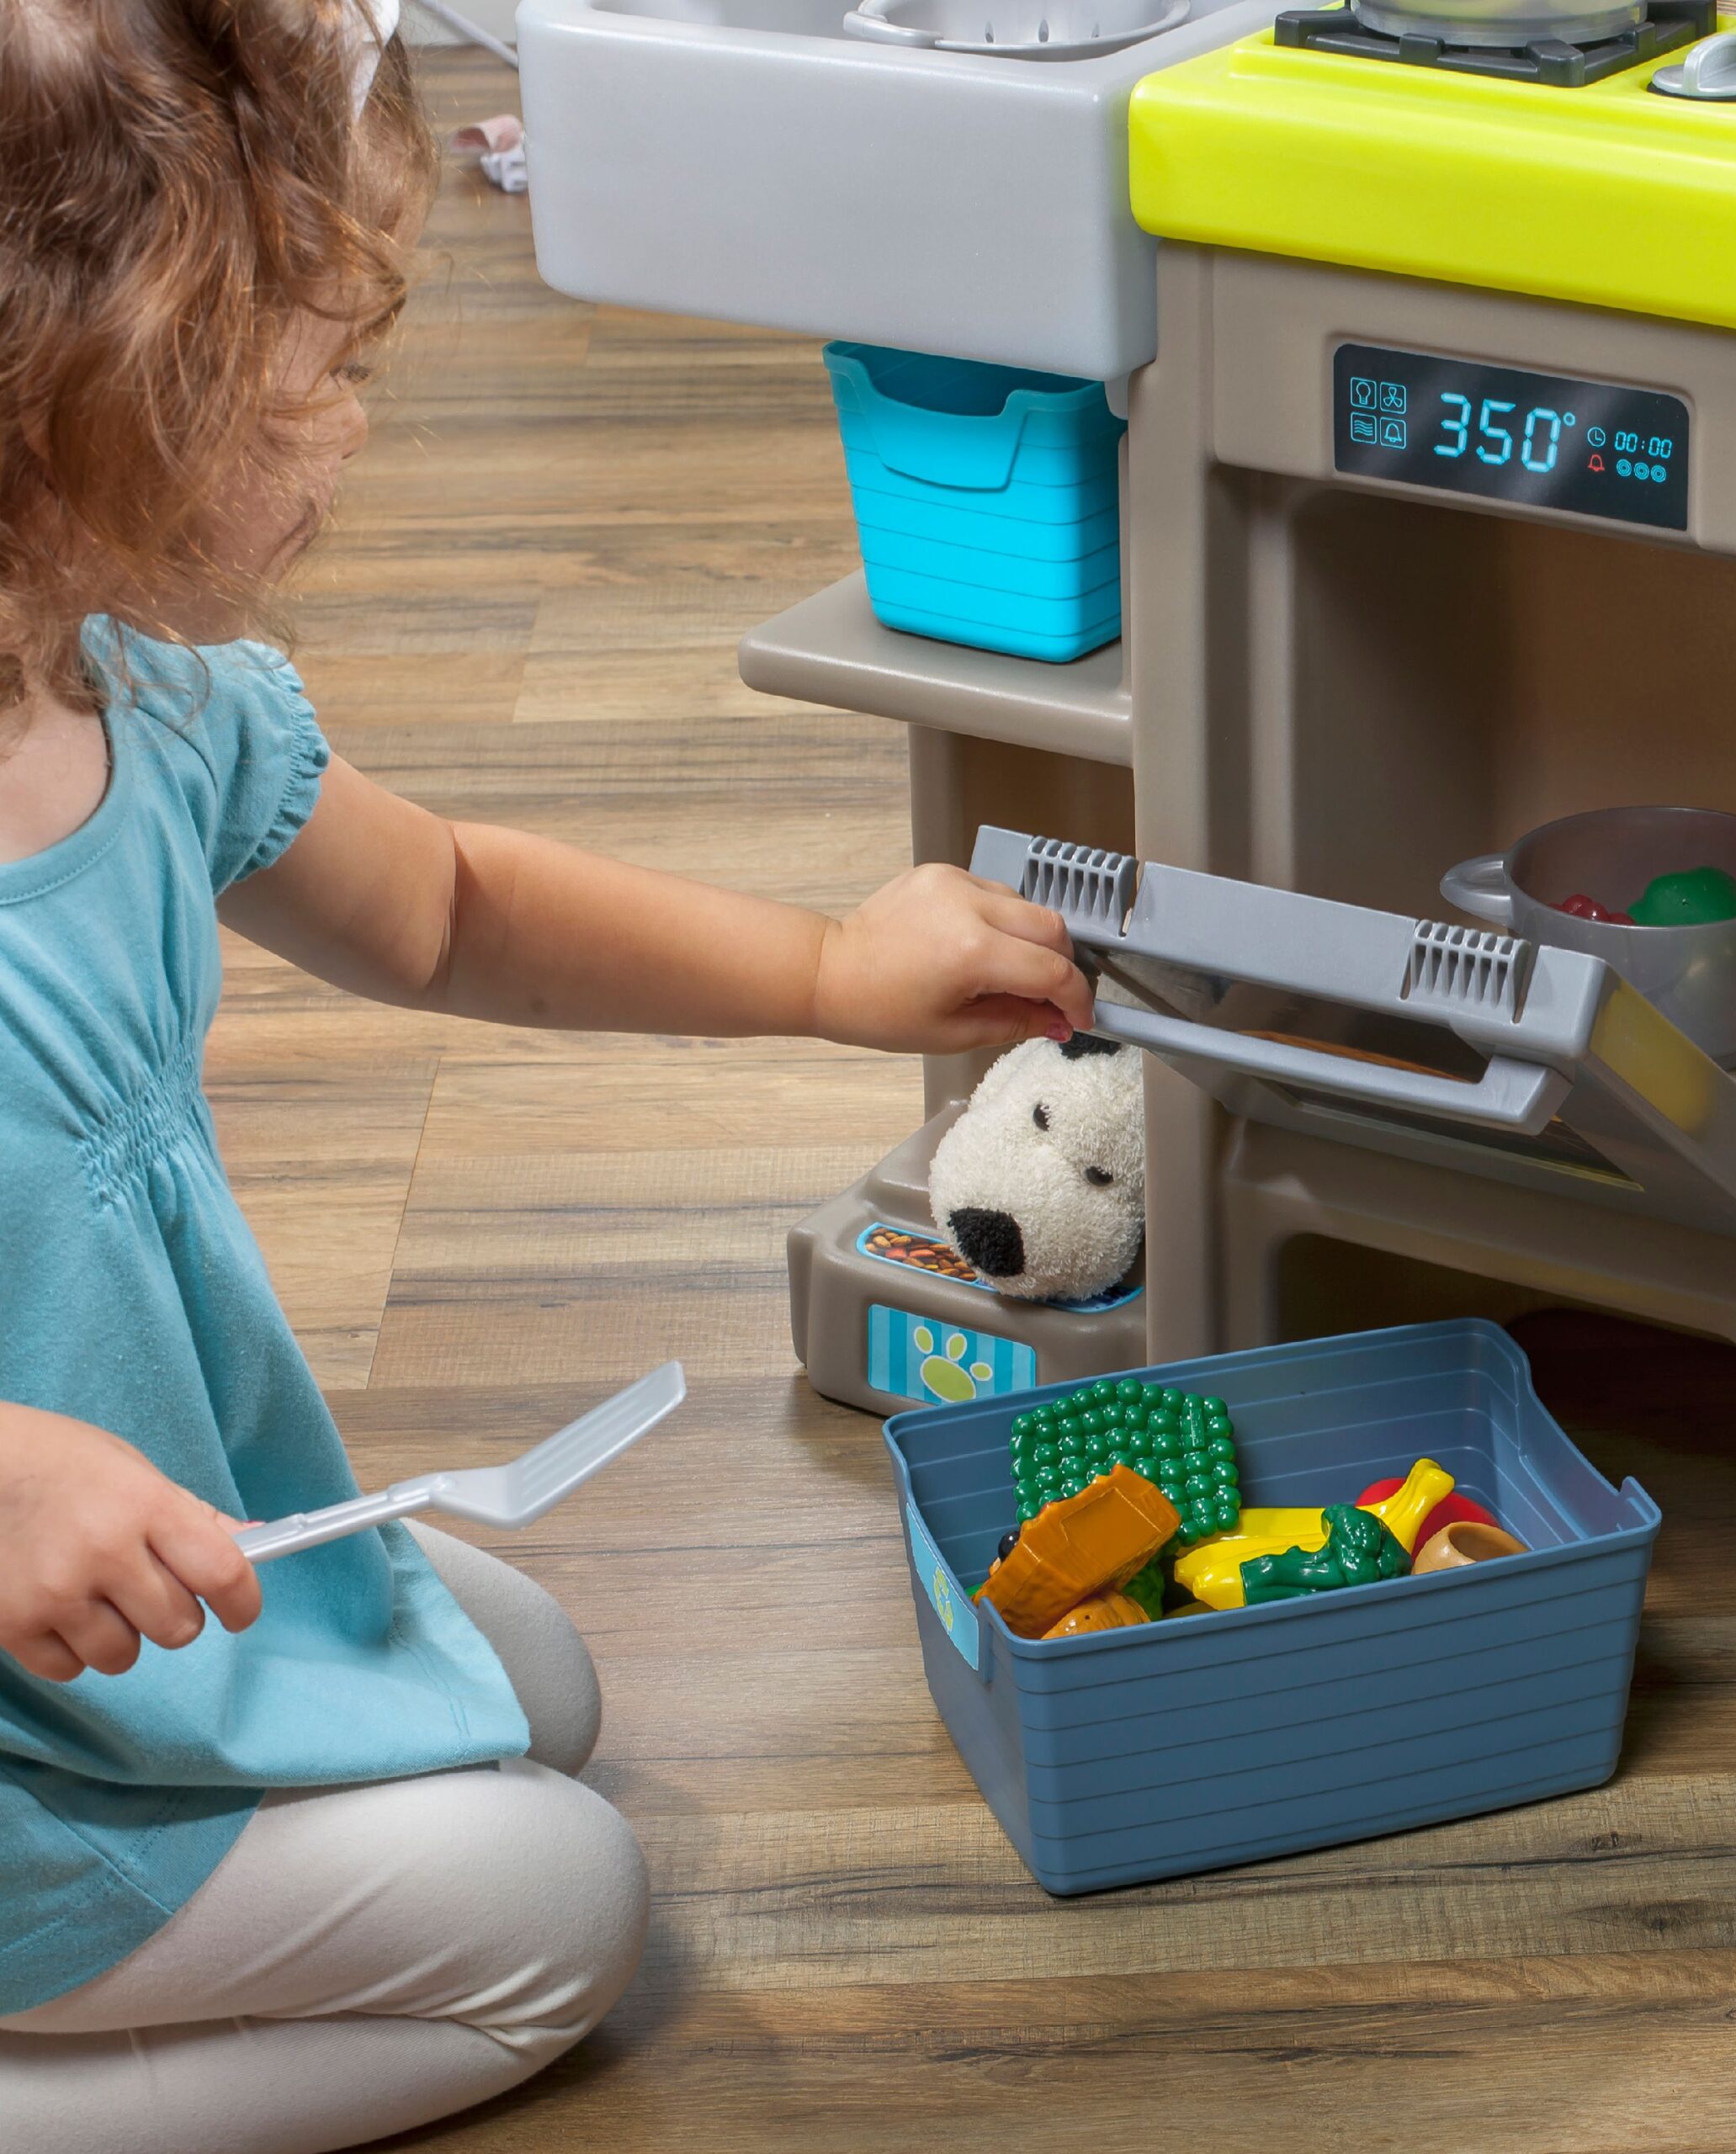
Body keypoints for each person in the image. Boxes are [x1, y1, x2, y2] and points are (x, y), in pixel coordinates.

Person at [0, 3, 1093, 2147]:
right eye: (310, 369)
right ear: (77, 396)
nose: (351, 426)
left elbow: (451, 906)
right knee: (555, 1913)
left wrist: (832, 971)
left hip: (147, 1549)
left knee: (546, 1690)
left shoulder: (136, 689)